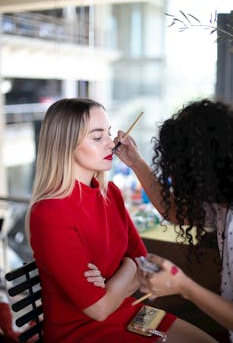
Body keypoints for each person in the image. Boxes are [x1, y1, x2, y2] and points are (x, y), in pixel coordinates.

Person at [26, 98, 217, 343]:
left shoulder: (111, 193)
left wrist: (116, 281)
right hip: (80, 332)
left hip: (129, 311)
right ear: (65, 145)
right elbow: (99, 309)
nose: (111, 142)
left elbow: (143, 263)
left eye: (108, 132)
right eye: (97, 137)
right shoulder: (50, 212)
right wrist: (128, 267)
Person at [114, 98, 233, 342]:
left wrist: (183, 286)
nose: (173, 178)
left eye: (177, 170)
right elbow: (176, 212)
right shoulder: (223, 204)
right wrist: (136, 162)